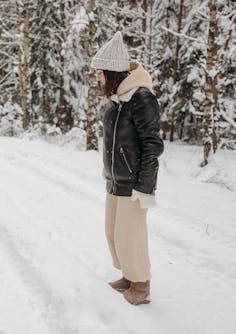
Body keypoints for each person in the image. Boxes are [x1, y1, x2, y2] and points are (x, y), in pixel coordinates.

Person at [90, 32, 164, 305]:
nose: (98, 77)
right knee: (113, 233)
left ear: (113, 72)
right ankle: (129, 276)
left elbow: (152, 145)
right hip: (115, 179)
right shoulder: (119, 98)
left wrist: (145, 186)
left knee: (130, 236)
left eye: (100, 72)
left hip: (134, 181)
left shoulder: (141, 98)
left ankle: (141, 285)